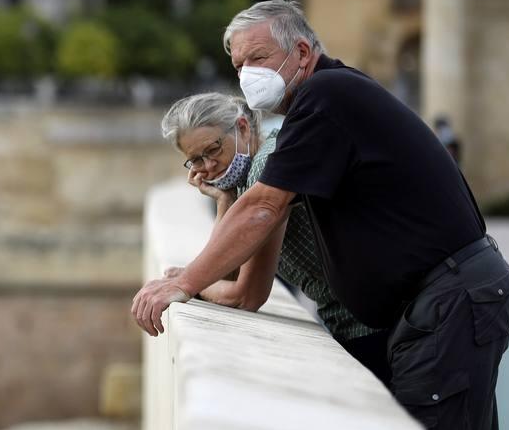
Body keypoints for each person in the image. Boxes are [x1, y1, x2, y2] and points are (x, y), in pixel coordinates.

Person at [130, 0, 509, 430]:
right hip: (442, 303)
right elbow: (254, 205)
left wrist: (184, 284)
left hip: (449, 301)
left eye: (259, 58)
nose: (248, 75)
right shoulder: (324, 100)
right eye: (239, 66)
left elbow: (264, 206)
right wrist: (217, 216)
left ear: (303, 51)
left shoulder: (326, 97)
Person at [161, 92, 390, 384]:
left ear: (243, 127)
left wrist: (193, 287)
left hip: (374, 327)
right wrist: (223, 200)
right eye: (195, 160)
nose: (208, 166)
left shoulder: (267, 167)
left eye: (213, 149)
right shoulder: (249, 175)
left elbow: (245, 295)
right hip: (361, 321)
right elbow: (227, 272)